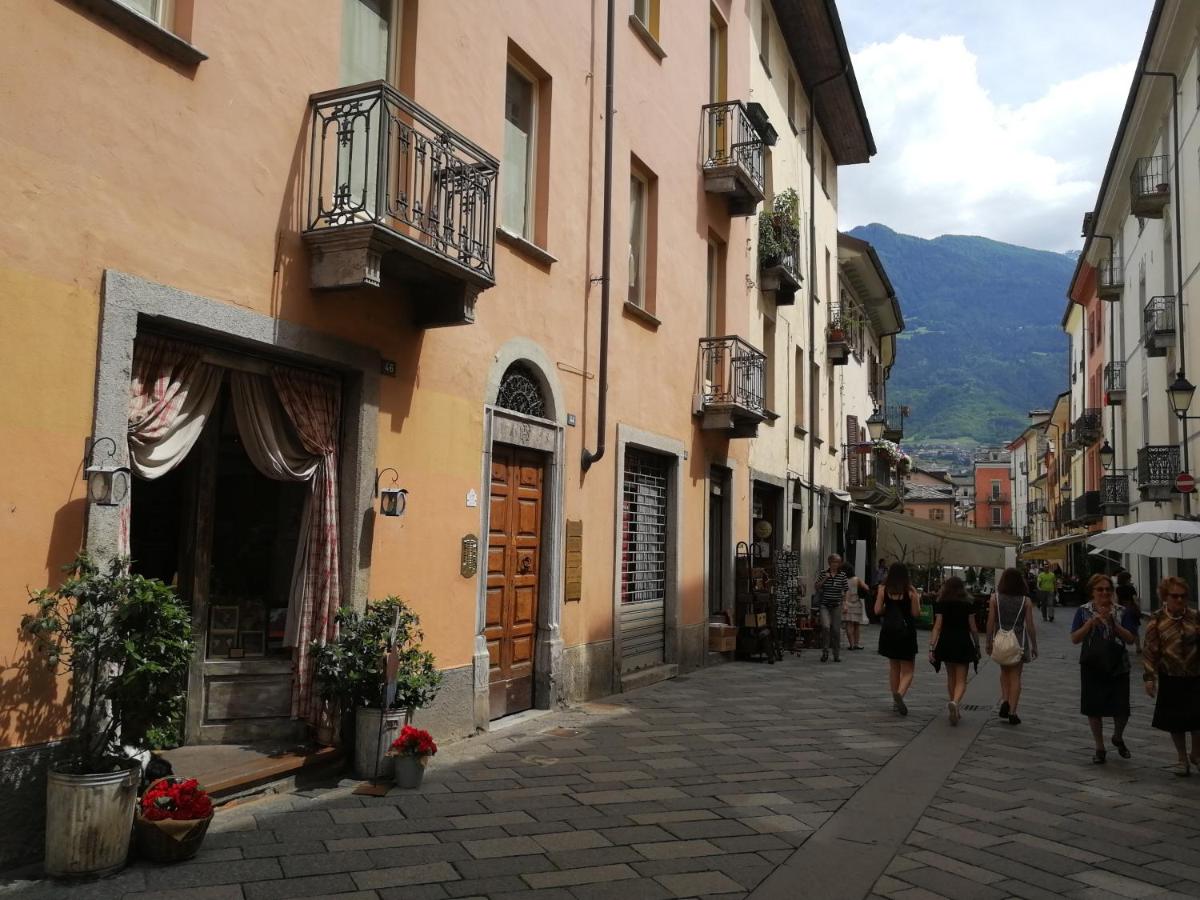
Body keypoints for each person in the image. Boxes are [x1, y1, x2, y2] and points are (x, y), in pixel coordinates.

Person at [1071, 573, 1137, 764]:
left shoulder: (1122, 611)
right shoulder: (1083, 611)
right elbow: (1075, 638)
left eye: (1108, 589)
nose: (1104, 592)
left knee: (1122, 708)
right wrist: (1091, 623)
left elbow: (1131, 639)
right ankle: (1100, 747)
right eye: (1099, 589)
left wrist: (1114, 625)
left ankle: (1117, 736)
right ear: (1092, 592)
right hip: (1093, 664)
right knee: (1094, 708)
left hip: (1118, 665)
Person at [1142, 576, 1200, 776]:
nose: (1180, 600)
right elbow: (1150, 649)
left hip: (1195, 674)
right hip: (1170, 675)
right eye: (1175, 596)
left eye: (1183, 596)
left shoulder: (1195, 616)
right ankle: (1182, 758)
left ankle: (1196, 753)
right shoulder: (1157, 619)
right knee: (1176, 720)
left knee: (1197, 718)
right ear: (1165, 597)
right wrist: (1149, 677)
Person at [986, 568, 1037, 725]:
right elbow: (1030, 626)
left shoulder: (995, 598)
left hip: (1001, 639)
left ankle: (1005, 700)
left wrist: (988, 642)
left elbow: (990, 622)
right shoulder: (1025, 601)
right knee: (1016, 676)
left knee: (1004, 672)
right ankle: (1013, 711)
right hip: (1019, 641)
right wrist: (1034, 645)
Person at [929, 576, 980, 725]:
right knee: (962, 679)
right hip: (963, 641)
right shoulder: (968, 603)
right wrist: (977, 646)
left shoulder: (941, 603)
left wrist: (932, 646)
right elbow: (973, 628)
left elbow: (937, 626)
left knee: (951, 677)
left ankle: (954, 705)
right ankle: (956, 703)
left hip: (946, 641)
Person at [875, 562, 921, 715]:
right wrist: (916, 599)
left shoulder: (883, 589)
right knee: (908, 670)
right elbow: (915, 614)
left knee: (894, 667)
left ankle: (895, 699)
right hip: (906, 633)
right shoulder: (910, 591)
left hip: (889, 632)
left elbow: (877, 610)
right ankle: (900, 694)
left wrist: (888, 608)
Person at [814, 554, 848, 663]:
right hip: (824, 605)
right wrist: (825, 578)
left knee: (836, 630)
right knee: (826, 627)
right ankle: (825, 652)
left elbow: (845, 590)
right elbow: (817, 586)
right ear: (829, 562)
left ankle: (836, 654)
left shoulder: (842, 575)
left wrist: (845, 603)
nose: (836, 564)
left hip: (836, 605)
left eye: (838, 562)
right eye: (834, 562)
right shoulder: (823, 573)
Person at [841, 563, 871, 651]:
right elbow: (866, 588)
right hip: (856, 603)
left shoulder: (842, 580)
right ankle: (857, 643)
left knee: (849, 624)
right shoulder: (856, 579)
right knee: (857, 625)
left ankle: (851, 645)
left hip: (846, 603)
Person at [1115, 570, 1141, 653]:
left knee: (1122, 628)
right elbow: (1135, 599)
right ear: (1126, 579)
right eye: (1129, 578)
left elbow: (1116, 600)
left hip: (1122, 610)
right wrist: (1138, 607)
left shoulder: (1118, 589)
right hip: (1130, 609)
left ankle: (1123, 646)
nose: (1130, 580)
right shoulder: (1131, 588)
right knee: (1134, 629)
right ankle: (1138, 647)